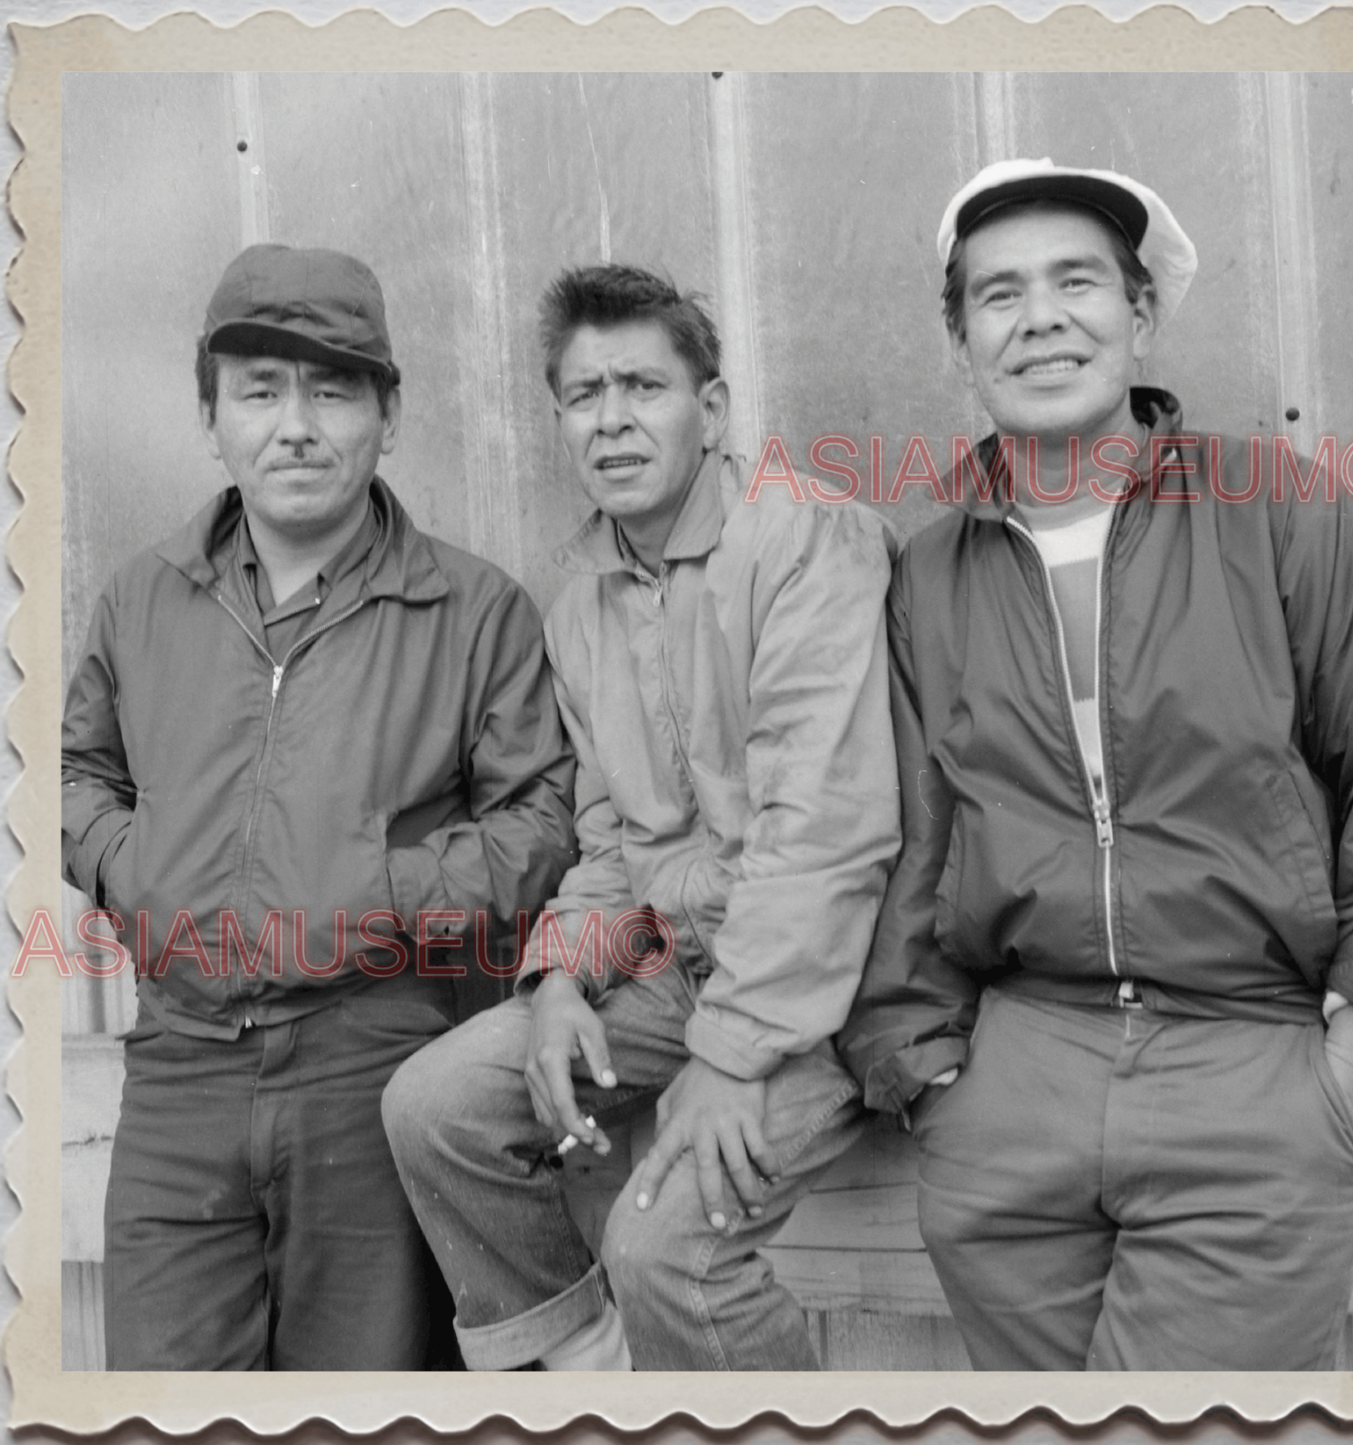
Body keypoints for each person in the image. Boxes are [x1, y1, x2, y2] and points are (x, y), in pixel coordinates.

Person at [839, 159, 1353, 1371]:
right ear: (959, 336)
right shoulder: (930, 569)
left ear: (1138, 315)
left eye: (1075, 280)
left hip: (1252, 1055)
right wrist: (924, 1069)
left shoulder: (1284, 510)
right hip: (1016, 1075)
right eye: (997, 293)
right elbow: (914, 831)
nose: (1038, 316)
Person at [61, 244, 576, 1370]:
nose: (295, 425)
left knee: (368, 1403)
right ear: (212, 417)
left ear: (387, 412)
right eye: (260, 389)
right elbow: (69, 773)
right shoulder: (141, 596)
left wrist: (372, 893)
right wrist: (136, 869)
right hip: (179, 1068)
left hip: (371, 1057)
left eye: (332, 388)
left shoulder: (473, 608)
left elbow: (540, 821)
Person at [382, 263, 900, 1371]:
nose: (610, 420)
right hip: (677, 965)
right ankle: (590, 1377)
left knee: (662, 1245)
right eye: (582, 395)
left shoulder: (805, 540)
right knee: (436, 1105)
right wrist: (564, 975)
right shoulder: (580, 600)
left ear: (708, 411)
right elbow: (610, 841)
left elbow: (824, 835)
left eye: (642, 387)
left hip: (835, 985)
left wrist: (730, 1055)